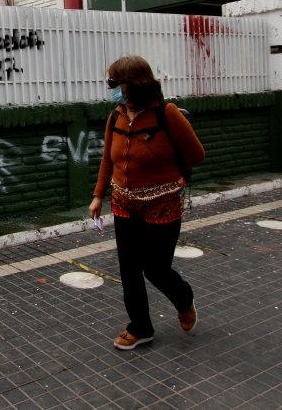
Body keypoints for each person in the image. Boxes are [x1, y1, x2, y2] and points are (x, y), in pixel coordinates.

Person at [89, 55, 205, 350]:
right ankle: (140, 327)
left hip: (162, 205)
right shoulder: (115, 116)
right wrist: (98, 195)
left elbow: (195, 154)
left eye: (115, 83)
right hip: (123, 204)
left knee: (155, 267)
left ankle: (183, 299)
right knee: (129, 269)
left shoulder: (167, 114)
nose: (111, 88)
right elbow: (107, 159)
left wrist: (177, 177)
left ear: (134, 83)